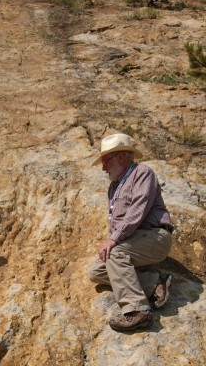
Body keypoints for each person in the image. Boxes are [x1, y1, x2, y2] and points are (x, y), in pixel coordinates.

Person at [89, 133, 173, 332]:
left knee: (116, 253)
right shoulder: (114, 187)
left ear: (120, 157)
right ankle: (155, 282)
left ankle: (137, 311)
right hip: (136, 240)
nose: (103, 167)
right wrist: (113, 239)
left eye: (105, 161)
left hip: (155, 236)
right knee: (96, 272)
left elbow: (138, 210)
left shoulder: (143, 173)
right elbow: (117, 221)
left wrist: (113, 239)